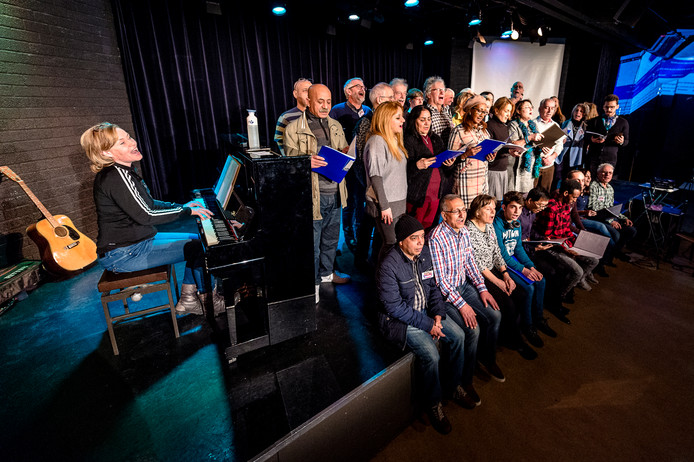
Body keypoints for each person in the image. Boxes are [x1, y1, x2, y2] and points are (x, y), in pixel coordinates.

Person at [82, 122, 221, 315]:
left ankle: (189, 300)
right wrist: (187, 212)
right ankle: (209, 302)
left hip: (135, 243)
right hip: (124, 254)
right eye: (122, 143)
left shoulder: (124, 171)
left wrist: (182, 206)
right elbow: (147, 215)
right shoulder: (116, 177)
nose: (133, 143)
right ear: (106, 153)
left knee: (198, 241)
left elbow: (148, 203)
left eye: (129, 137)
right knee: (201, 248)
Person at [376, 215, 480, 435]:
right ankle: (433, 404)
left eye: (422, 236)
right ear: (402, 241)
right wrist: (427, 324)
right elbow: (394, 308)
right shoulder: (388, 265)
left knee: (459, 336)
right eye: (414, 238)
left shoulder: (424, 254)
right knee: (431, 354)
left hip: (427, 313)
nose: (421, 242)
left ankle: (453, 387)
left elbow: (433, 287)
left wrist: (439, 315)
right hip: (402, 320)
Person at [284, 84, 351, 303]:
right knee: (311, 244)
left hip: (336, 191)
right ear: (309, 101)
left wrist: (346, 155)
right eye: (320, 101)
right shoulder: (293, 128)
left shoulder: (336, 125)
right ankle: (311, 283)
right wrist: (305, 162)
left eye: (329, 101)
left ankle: (326, 274)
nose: (325, 106)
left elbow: (343, 152)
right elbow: (287, 165)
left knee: (331, 239)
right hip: (313, 196)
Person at [429, 194, 505, 382]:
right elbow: (440, 281)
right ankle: (465, 377)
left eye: (463, 210)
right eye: (456, 211)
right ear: (444, 215)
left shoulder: (464, 231)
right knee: (473, 329)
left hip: (464, 286)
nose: (462, 215)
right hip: (446, 296)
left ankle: (487, 359)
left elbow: (470, 262)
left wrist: (482, 288)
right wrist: (462, 305)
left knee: (495, 315)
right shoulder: (435, 238)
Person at [466, 195, 538, 360]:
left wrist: (505, 274)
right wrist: (498, 281)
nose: (493, 212)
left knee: (522, 293)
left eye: (494, 209)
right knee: (508, 303)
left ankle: (512, 332)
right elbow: (478, 265)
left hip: (495, 270)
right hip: (480, 275)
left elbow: (497, 253)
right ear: (477, 211)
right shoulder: (469, 230)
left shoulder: (489, 225)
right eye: (488, 209)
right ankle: (513, 340)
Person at [494, 191, 559, 348]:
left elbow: (518, 248)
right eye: (513, 208)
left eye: (520, 208)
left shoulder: (516, 224)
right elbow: (502, 255)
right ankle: (528, 326)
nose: (517, 212)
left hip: (514, 260)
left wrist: (530, 266)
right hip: (502, 264)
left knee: (541, 280)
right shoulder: (497, 224)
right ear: (503, 207)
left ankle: (539, 319)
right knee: (529, 288)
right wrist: (523, 270)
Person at [352, 83, 395, 268]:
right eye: (390, 97)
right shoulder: (366, 122)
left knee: (378, 228)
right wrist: (369, 187)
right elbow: (361, 158)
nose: (394, 101)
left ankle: (376, 262)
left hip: (387, 185)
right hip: (371, 186)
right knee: (369, 223)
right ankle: (362, 262)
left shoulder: (388, 122)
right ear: (379, 100)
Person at [533, 179, 599, 294]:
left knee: (594, 260)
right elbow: (549, 237)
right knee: (577, 271)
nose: (575, 200)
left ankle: (578, 280)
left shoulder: (566, 206)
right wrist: (567, 249)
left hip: (563, 244)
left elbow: (566, 229)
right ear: (565, 194)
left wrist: (577, 242)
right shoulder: (551, 208)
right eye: (574, 197)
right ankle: (560, 296)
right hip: (551, 247)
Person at [364, 101, 408, 260]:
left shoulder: (394, 140)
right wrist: (384, 206)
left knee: (386, 243)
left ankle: (380, 278)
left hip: (397, 202)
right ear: (385, 119)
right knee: (391, 243)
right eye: (398, 118)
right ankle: (382, 281)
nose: (403, 120)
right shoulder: (377, 141)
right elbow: (376, 176)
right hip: (385, 204)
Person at [404, 105, 454, 230]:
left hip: (436, 193)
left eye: (429, 119)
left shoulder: (435, 139)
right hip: (418, 195)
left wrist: (449, 163)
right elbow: (402, 170)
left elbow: (444, 168)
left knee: (430, 228)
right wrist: (416, 166)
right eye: (422, 120)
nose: (427, 123)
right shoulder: (408, 139)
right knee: (415, 229)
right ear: (414, 120)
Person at [448, 95, 496, 208]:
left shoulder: (484, 131)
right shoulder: (458, 131)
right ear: (470, 110)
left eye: (484, 112)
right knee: (466, 215)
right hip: (466, 182)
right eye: (479, 111)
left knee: (480, 214)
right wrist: (465, 155)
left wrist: (491, 156)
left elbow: (487, 156)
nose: (481, 115)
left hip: (482, 182)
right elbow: (448, 161)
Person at [588, 163, 637, 262]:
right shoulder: (593, 186)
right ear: (598, 173)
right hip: (599, 217)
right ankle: (606, 259)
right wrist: (611, 221)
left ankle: (614, 253)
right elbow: (593, 207)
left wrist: (624, 218)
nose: (607, 175)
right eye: (604, 172)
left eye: (610, 173)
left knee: (631, 230)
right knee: (616, 235)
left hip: (610, 217)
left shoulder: (610, 188)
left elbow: (612, 208)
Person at [485, 97, 521, 199]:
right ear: (496, 110)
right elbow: (490, 148)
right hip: (493, 171)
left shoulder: (504, 126)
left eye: (510, 112)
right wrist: (508, 150)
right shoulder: (489, 126)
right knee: (491, 202)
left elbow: (507, 145)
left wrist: (513, 151)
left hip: (503, 171)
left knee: (500, 202)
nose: (508, 115)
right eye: (506, 111)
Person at [585, 94, 629, 175]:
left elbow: (626, 141)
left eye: (612, 107)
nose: (608, 109)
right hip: (594, 157)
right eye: (606, 107)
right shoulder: (595, 121)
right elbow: (585, 136)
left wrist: (621, 141)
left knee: (605, 181)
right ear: (603, 107)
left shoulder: (623, 122)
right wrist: (591, 139)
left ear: (617, 106)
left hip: (610, 158)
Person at [508, 99, 543, 194]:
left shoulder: (533, 124)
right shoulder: (513, 124)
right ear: (518, 111)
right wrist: (530, 138)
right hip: (516, 165)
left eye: (531, 107)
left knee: (526, 194)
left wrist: (544, 146)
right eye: (527, 107)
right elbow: (513, 143)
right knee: (514, 194)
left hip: (530, 166)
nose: (530, 109)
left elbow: (538, 141)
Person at [553, 103, 588, 190]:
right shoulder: (566, 123)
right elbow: (559, 136)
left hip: (575, 155)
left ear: (584, 114)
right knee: (558, 175)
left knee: (570, 176)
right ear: (573, 111)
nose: (578, 113)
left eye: (581, 111)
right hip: (563, 154)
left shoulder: (585, 126)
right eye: (576, 110)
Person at [534, 98, 566, 191]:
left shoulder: (555, 125)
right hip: (535, 165)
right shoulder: (533, 123)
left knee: (545, 193)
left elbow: (559, 145)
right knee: (532, 193)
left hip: (549, 165)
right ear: (540, 109)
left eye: (552, 108)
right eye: (546, 108)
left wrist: (552, 157)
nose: (549, 111)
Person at [274, 78, 312, 155]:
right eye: (305, 90)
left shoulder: (320, 116)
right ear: (295, 94)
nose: (309, 94)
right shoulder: (286, 117)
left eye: (311, 91)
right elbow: (279, 142)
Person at [329, 77, 371, 144]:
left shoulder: (367, 110)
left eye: (363, 87)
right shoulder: (337, 110)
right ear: (349, 91)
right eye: (358, 86)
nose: (362, 89)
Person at [423, 76, 453, 144]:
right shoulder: (425, 113)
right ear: (428, 94)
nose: (442, 93)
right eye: (438, 89)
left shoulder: (446, 112)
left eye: (443, 90)